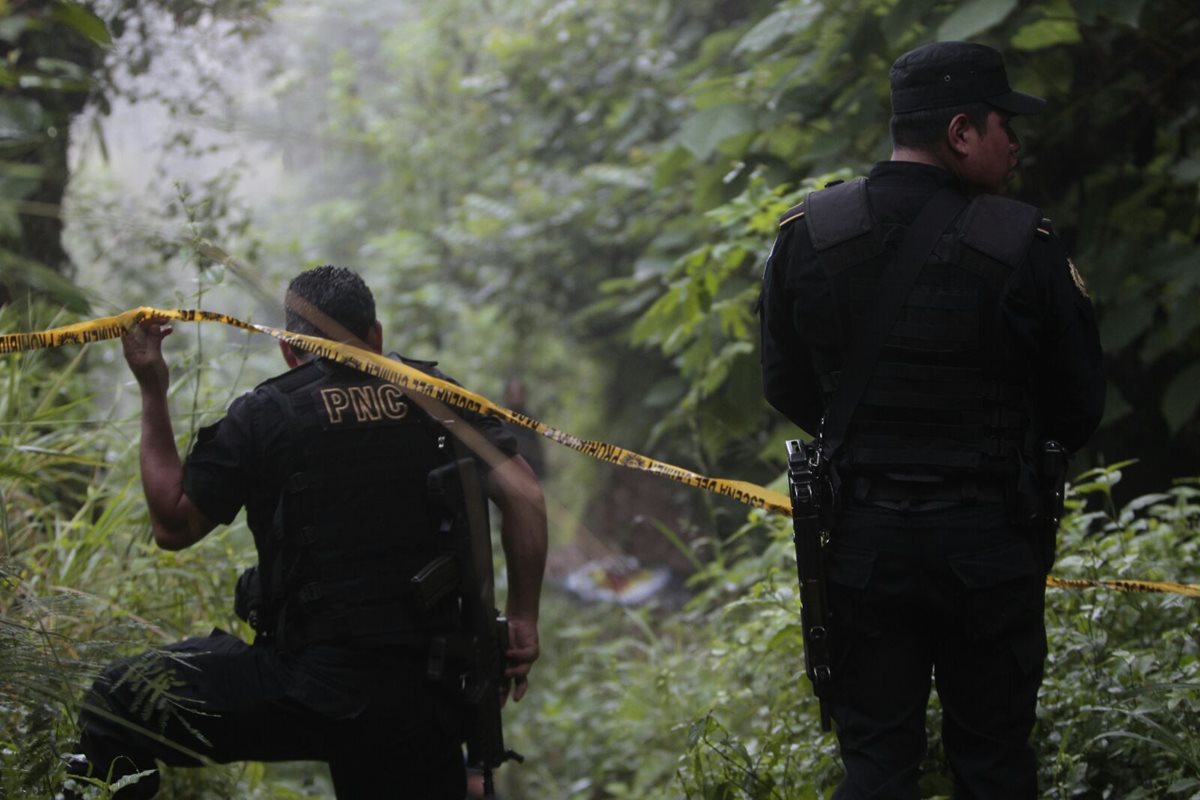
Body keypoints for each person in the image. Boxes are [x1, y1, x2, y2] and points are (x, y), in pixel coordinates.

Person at [759, 42, 1104, 799]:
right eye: (1002, 123)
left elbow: (782, 382)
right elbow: (1079, 405)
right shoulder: (1024, 243)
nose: (1014, 141)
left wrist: (872, 438)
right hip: (989, 542)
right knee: (994, 762)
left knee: (876, 765)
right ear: (960, 133)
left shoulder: (808, 235)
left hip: (862, 544)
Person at [66, 265, 547, 799]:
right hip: (426, 690)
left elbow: (172, 524)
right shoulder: (438, 397)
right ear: (377, 335)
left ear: (290, 351)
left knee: (118, 702)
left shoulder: (267, 413)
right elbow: (525, 495)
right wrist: (523, 617)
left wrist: (153, 389)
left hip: (312, 687)